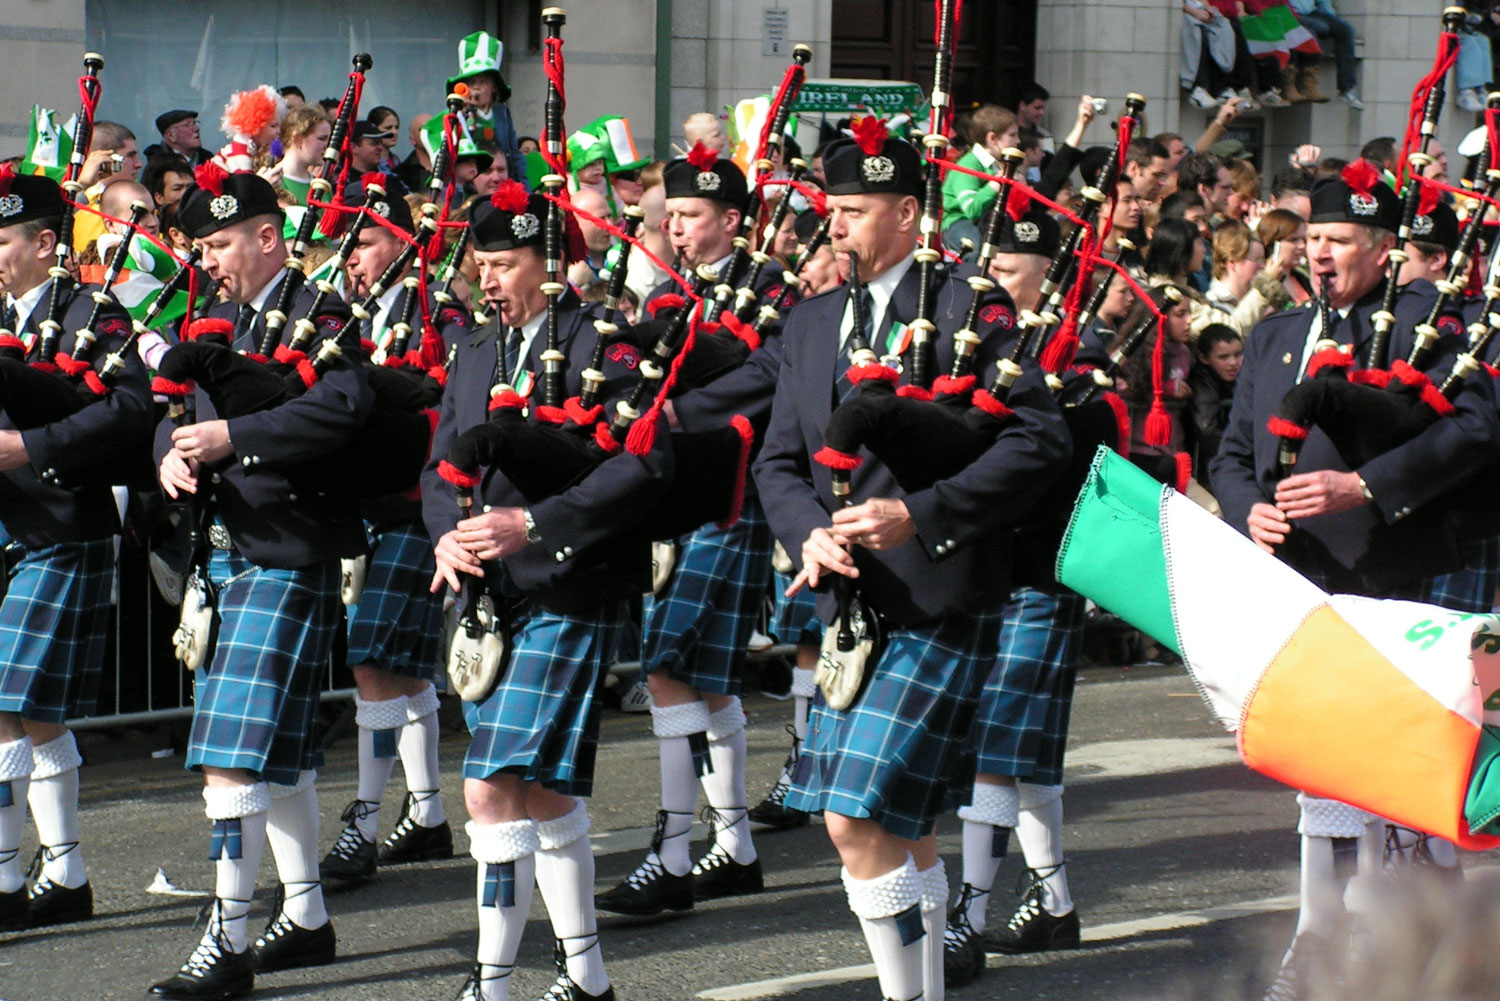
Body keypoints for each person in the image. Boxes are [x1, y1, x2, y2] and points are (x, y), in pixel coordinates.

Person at [754, 124, 1069, 1001]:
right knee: (903, 826)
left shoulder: (970, 308)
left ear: (906, 210)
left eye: (855, 212)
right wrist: (805, 531)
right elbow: (778, 460)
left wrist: (919, 514)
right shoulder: (813, 320)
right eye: (833, 210)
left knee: (853, 817)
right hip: (846, 609)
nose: (838, 226)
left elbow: (1037, 442)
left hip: (939, 596)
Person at [1209, 165, 1500, 1001]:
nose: (1321, 254)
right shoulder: (1274, 334)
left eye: (1339, 241)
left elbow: (1480, 430)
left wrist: (1364, 487)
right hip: (1303, 584)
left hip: (1405, 571)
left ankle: (1421, 937)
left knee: (1408, 766)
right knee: (1321, 760)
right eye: (1313, 239)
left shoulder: (1438, 325)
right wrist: (1247, 510)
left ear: (1383, 250)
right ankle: (1318, 931)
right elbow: (1233, 453)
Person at [423, 180, 665, 1001]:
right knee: (543, 787)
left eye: (505, 263)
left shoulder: (605, 344)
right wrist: (444, 534)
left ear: (553, 262)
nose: (486, 278)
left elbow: (641, 466)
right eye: (481, 263)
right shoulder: (473, 351)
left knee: (489, 785)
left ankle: (490, 984)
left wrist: (539, 523)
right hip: (487, 597)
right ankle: (588, 977)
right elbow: (439, 466)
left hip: (569, 582)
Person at [149, 171, 369, 1000]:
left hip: (286, 546)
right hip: (221, 549)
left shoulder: (323, 315)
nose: (208, 261)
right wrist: (168, 451)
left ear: (268, 236)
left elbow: (341, 409)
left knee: (230, 759)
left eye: (219, 245)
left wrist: (230, 434)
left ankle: (228, 936)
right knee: (273, 756)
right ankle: (306, 914)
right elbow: (165, 409)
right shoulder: (214, 320)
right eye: (200, 248)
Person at [595, 146, 778, 919]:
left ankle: (672, 857)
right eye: (670, 216)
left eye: (693, 215)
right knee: (706, 679)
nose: (676, 226)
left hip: (727, 493)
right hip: (671, 495)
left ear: (731, 220)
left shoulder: (769, 286)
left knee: (669, 666)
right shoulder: (668, 288)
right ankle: (733, 846)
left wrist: (677, 412)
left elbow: (770, 375)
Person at [0, 169, 148, 934]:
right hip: (8, 529)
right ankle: (61, 871)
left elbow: (130, 414)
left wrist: (28, 446)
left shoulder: (94, 311)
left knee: (14, 706)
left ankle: (23, 874)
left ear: (45, 242)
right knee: (30, 714)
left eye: (2, 242)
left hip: (61, 523)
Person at [944, 200, 1086, 990]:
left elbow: (1077, 451)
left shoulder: (1077, 352)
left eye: (1005, 269)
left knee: (995, 747)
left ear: (1044, 274)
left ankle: (966, 911)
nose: (988, 279)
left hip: (1037, 563)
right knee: (1019, 748)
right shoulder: (973, 344)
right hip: (978, 563)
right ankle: (1055, 898)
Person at [318, 179, 469, 886]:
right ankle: (430, 814)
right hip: (365, 501)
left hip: (418, 501)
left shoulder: (437, 307)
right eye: (344, 248)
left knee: (374, 658)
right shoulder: (344, 315)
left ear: (404, 242)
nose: (352, 260)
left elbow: (457, 398)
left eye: (365, 243)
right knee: (398, 667)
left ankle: (364, 823)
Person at [448, 30, 523, 182]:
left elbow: (513, 153)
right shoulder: (458, 114)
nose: (476, 88)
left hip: (501, 178)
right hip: (474, 182)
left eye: (482, 82)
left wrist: (522, 184)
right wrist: (461, 115)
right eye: (471, 83)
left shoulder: (502, 113)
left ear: (493, 86)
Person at [941, 105, 1021, 244]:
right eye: (1012, 135)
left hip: (988, 220)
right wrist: (996, 184)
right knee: (975, 246)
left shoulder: (999, 164)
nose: (1018, 141)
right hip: (958, 222)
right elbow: (972, 209)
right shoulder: (969, 164)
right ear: (992, 138)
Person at [1187, 323, 1243, 494]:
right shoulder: (1201, 383)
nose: (1233, 363)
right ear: (1204, 358)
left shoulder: (1239, 379)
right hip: (1206, 470)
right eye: (1224, 357)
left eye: (1238, 354)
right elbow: (1207, 430)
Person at [71, 121, 143, 255]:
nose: (139, 164)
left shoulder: (140, 195)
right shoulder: (81, 203)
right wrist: (82, 184)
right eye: (130, 155)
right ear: (106, 158)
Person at [1206, 220, 1286, 334]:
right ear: (1232, 263)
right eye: (1257, 260)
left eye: (1263, 260)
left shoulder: (1259, 301)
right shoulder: (1212, 303)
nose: (1263, 266)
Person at [1289, 0, 1363, 108]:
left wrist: (1332, 20)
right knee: (1313, 33)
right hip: (1288, 13)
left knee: (1345, 31)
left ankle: (1347, 88)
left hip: (1311, 12)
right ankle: (1304, 84)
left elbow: (1323, 3)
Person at [273, 105, 332, 207]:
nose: (327, 145)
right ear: (298, 139)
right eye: (322, 139)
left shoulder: (322, 187)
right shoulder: (272, 183)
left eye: (328, 140)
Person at [1255, 207, 1315, 308]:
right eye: (1293, 240)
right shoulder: (1256, 283)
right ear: (1273, 243)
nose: (1302, 246)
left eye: (1303, 239)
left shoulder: (1303, 277)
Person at [146, 110, 212, 167]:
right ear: (171, 136)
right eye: (187, 125)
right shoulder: (159, 166)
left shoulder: (209, 160)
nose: (196, 129)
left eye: (195, 123)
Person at [366, 105, 401, 172]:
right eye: (388, 128)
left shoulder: (396, 161)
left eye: (396, 127)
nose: (394, 132)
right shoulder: (370, 164)